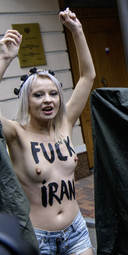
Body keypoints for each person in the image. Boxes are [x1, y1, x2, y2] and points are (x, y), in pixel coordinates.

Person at [0, 8, 96, 254]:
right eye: (38, 95)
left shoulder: (65, 124)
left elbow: (87, 76)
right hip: (39, 239)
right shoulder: (16, 134)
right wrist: (4, 58)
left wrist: (77, 31)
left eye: (53, 93)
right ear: (27, 101)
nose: (48, 100)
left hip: (76, 231)